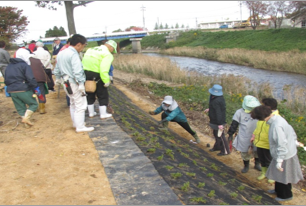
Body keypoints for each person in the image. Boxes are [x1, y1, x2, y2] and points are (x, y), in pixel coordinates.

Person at [251, 105, 304, 202]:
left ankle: (286, 195)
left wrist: (279, 160)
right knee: (278, 175)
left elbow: (281, 144)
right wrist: (294, 141)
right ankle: (277, 190)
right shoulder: (277, 119)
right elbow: (291, 131)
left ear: (261, 117)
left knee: (283, 176)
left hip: (285, 155)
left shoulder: (276, 126)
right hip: (282, 153)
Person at [54, 34, 94, 133]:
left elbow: (57, 68)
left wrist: (58, 78)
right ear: (79, 44)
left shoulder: (61, 53)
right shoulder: (73, 54)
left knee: (72, 103)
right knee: (80, 105)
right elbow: (77, 70)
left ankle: (76, 123)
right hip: (74, 82)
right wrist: (81, 83)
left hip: (65, 82)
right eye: (84, 46)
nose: (82, 48)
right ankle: (80, 127)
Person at [82, 40, 117, 119]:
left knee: (89, 92)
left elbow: (83, 61)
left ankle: (91, 113)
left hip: (86, 73)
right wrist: (106, 81)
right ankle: (103, 114)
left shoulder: (90, 49)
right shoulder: (107, 54)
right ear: (110, 47)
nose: (112, 51)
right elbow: (104, 69)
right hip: (97, 74)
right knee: (102, 94)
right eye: (113, 49)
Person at [227, 95, 261, 173]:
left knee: (257, 151)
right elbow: (234, 124)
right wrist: (230, 134)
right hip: (245, 136)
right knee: (245, 152)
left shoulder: (259, 112)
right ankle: (246, 165)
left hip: (257, 136)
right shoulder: (239, 112)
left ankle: (257, 164)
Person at [4, 53, 38, 127]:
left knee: (20, 108)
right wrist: (35, 86)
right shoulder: (24, 65)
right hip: (23, 88)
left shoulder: (8, 66)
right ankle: (26, 118)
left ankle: (27, 125)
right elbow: (30, 78)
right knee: (34, 104)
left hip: (11, 90)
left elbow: (5, 79)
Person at [251, 98, 279, 183]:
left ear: (269, 107)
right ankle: (264, 173)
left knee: (269, 160)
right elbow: (258, 127)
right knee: (262, 159)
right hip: (259, 142)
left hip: (268, 144)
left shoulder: (275, 118)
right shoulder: (263, 115)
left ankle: (271, 175)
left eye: (264, 105)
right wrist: (254, 135)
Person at [204, 84, 230, 156]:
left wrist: (220, 124)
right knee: (216, 134)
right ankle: (217, 147)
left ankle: (225, 151)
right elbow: (216, 108)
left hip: (218, 121)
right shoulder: (216, 98)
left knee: (220, 136)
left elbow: (218, 112)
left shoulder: (217, 101)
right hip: (215, 120)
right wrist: (210, 109)